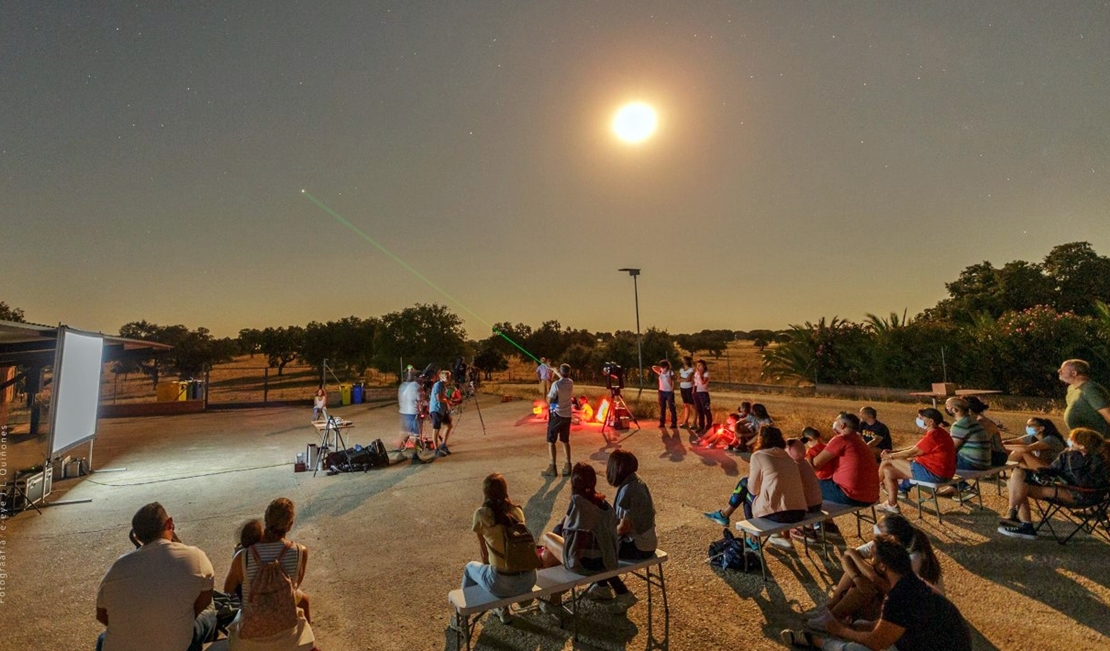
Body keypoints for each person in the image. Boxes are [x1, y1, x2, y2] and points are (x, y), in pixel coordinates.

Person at [781, 535, 972, 651]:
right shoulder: (913, 583)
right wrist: (858, 627)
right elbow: (892, 626)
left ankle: (818, 642)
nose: (869, 564)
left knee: (857, 649)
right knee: (862, 627)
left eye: (872, 561)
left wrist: (841, 630)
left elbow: (876, 642)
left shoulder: (899, 598)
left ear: (882, 566)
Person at [96, 503, 217, 651]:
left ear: (137, 536)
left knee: (104, 638)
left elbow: (102, 615)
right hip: (173, 644)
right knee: (210, 610)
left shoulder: (117, 567)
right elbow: (203, 600)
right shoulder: (195, 557)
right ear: (170, 523)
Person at [805, 514, 945, 632]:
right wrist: (857, 575)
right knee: (862, 575)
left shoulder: (913, 558)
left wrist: (868, 575)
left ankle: (832, 619)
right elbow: (847, 554)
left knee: (867, 582)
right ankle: (831, 608)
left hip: (916, 613)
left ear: (892, 538)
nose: (874, 541)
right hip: (898, 599)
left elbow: (895, 590)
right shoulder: (889, 546)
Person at [223, 498, 314, 650]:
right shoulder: (300, 552)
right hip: (289, 639)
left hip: (248, 642)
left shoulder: (243, 556)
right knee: (303, 599)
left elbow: (228, 589)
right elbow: (295, 585)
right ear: (290, 525)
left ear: (265, 520)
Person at [703, 426, 809, 550]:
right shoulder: (787, 456)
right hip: (799, 512)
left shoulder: (758, 456)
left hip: (780, 515)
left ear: (761, 439)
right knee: (751, 490)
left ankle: (751, 535)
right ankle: (725, 516)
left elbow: (752, 489)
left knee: (744, 486)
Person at [998, 427, 1110, 540]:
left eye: (1073, 439)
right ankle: (1016, 516)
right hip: (1096, 499)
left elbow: (1056, 474)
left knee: (1016, 483)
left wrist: (1039, 475)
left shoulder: (1072, 456)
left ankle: (1022, 522)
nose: (1069, 441)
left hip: (1075, 495)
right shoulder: (1102, 458)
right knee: (1018, 476)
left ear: (1082, 446)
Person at [539, 463, 619, 614]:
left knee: (548, 539)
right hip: (606, 562)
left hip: (584, 564)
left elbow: (566, 532)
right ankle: (552, 599)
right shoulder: (604, 503)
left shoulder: (577, 503)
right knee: (553, 548)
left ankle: (552, 599)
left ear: (574, 482)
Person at [585, 450, 656, 614]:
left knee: (600, 551)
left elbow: (624, 527)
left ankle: (622, 593)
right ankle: (601, 586)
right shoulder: (637, 482)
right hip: (647, 541)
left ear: (616, 469)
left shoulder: (629, 490)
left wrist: (605, 536)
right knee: (602, 544)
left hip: (638, 546)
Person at [462, 473, 538, 624]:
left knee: (470, 568)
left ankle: (463, 619)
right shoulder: (517, 512)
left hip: (501, 584)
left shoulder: (482, 514)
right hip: (530, 579)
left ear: (486, 493)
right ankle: (502, 609)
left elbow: (484, 555)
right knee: (504, 565)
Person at [877, 408, 956, 514]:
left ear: (930, 421)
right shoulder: (939, 432)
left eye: (921, 418)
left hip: (934, 473)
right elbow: (916, 448)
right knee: (888, 471)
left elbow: (912, 452)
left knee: (887, 462)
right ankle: (891, 503)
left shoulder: (932, 436)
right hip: (941, 472)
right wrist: (894, 451)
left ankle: (875, 486)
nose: (918, 420)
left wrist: (890, 455)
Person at [811, 413, 880, 507]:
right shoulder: (859, 440)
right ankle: (826, 521)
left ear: (842, 425)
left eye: (836, 421)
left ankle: (819, 520)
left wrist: (810, 451)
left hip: (850, 495)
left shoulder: (841, 439)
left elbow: (814, 465)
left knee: (807, 484)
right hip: (871, 496)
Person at [1058, 359, 1110, 438]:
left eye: (1062, 369)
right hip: (1082, 441)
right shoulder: (1071, 389)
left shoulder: (1090, 389)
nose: (1059, 371)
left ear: (1074, 373)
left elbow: (1108, 414)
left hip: (1098, 441)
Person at [787, 438, 825, 543]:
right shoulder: (805, 463)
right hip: (817, 504)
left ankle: (804, 531)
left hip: (807, 507)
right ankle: (809, 528)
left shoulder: (793, 466)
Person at [543, 364, 574, 478]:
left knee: (551, 441)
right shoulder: (570, 382)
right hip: (567, 416)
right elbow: (563, 377)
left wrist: (547, 397)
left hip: (556, 415)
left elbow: (550, 400)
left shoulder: (556, 385)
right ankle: (568, 465)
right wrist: (554, 370)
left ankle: (552, 466)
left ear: (561, 373)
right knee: (565, 440)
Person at [947, 397, 993, 472]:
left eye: (947, 407)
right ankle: (961, 483)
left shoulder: (960, 425)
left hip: (972, 463)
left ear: (954, 410)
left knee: (937, 463)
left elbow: (951, 448)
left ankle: (962, 484)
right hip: (984, 462)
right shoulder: (973, 422)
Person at [965, 396, 1010, 467]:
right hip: (986, 453)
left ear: (969, 410)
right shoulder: (975, 421)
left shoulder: (982, 422)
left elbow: (980, 443)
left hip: (997, 455)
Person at [429, 370, 456, 456]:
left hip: (442, 410)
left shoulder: (444, 386)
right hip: (436, 409)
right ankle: (436, 450)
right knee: (436, 429)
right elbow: (438, 398)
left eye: (449, 376)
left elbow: (443, 398)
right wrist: (447, 400)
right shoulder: (438, 385)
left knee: (449, 425)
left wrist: (448, 404)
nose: (449, 378)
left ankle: (443, 444)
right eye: (447, 377)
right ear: (442, 377)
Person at [397, 370, 422, 458]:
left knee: (404, 431)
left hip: (403, 412)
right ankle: (415, 455)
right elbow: (420, 400)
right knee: (416, 435)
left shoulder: (402, 385)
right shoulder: (416, 386)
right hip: (413, 413)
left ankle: (400, 450)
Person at [651, 359, 677, 428]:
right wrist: (660, 369)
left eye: (664, 367)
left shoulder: (670, 372)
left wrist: (672, 388)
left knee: (671, 407)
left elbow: (674, 381)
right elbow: (653, 367)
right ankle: (662, 422)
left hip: (669, 392)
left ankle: (674, 422)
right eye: (662, 367)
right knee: (662, 407)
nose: (663, 368)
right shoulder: (660, 371)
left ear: (667, 366)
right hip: (661, 391)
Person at [693, 359, 712, 433]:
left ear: (704, 366)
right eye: (697, 365)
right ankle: (701, 425)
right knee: (699, 410)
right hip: (697, 392)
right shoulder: (696, 373)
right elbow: (695, 383)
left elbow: (703, 382)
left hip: (703, 393)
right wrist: (693, 391)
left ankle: (709, 425)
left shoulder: (706, 374)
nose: (698, 367)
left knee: (706, 410)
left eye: (700, 365)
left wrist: (701, 374)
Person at [678, 356, 696, 429]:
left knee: (692, 405)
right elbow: (678, 379)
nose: (683, 361)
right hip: (683, 388)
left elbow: (689, 379)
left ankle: (694, 422)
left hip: (689, 388)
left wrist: (683, 379)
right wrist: (684, 379)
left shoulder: (691, 370)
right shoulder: (681, 370)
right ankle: (685, 421)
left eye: (684, 360)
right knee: (686, 405)